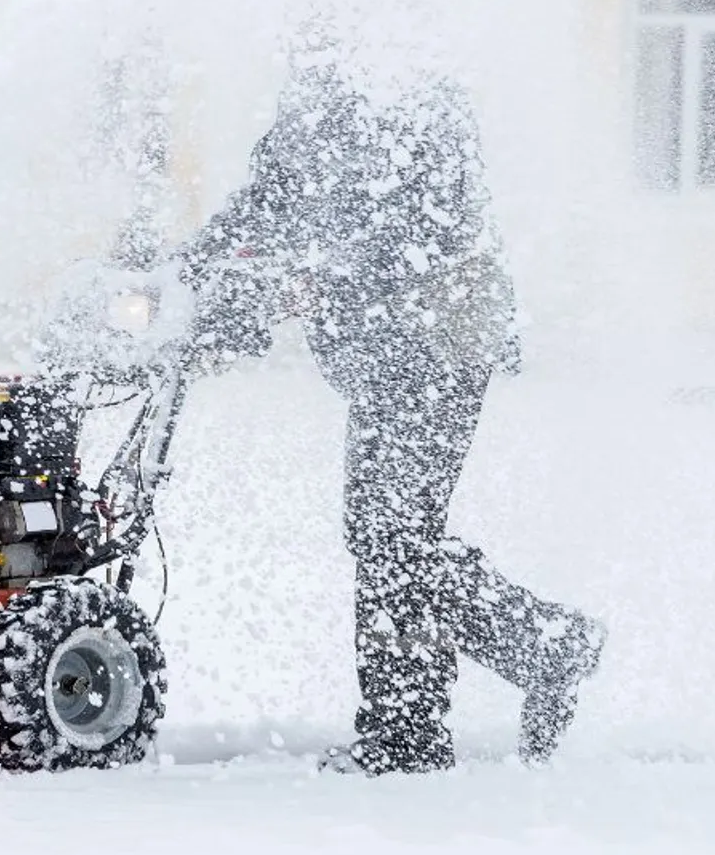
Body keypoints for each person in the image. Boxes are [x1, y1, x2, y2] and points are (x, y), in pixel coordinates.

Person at [177, 50, 606, 774]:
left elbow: (417, 220)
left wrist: (313, 267)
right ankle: (483, 682)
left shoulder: (419, 91)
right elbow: (266, 203)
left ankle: (449, 707)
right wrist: (181, 276)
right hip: (381, 359)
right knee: (391, 536)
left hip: (437, 343)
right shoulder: (315, 102)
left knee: (391, 537)